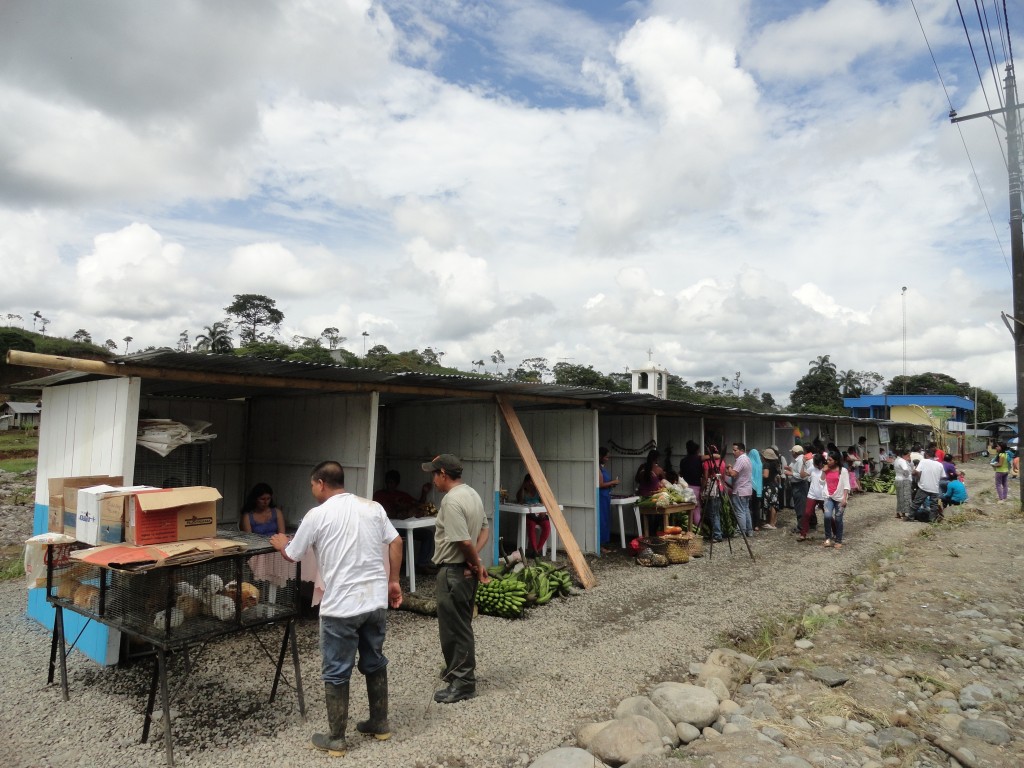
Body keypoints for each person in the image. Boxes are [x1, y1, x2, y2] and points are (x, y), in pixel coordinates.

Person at [270, 461, 403, 756]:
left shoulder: (317, 515)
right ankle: (379, 723)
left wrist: (280, 543)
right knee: (375, 661)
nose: (312, 490)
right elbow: (396, 541)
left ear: (320, 483)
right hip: (374, 602)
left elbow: (293, 554)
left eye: (312, 485)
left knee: (336, 671)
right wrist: (393, 581)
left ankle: (336, 739)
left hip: (341, 607)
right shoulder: (372, 507)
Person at [423, 454, 490, 704]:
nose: (433, 480)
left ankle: (464, 683)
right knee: (458, 624)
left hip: (454, 571)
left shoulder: (451, 501)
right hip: (464, 569)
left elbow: (462, 541)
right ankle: (455, 670)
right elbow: (484, 530)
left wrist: (473, 561)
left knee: (456, 628)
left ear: (443, 474)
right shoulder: (472, 494)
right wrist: (475, 561)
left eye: (434, 474)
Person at [373, 470, 435, 570]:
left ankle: (422, 564)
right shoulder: (379, 495)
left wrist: (424, 492)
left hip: (403, 528)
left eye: (392, 482)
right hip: (386, 530)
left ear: (397, 483)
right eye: (388, 482)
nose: (389, 485)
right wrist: (396, 514)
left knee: (427, 534)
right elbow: (376, 512)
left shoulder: (402, 495)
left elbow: (419, 504)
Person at [822, 450, 850, 549]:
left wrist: (844, 498)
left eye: (830, 460)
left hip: (840, 497)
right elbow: (821, 481)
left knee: (838, 519)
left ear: (836, 461)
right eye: (827, 460)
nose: (828, 462)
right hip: (828, 496)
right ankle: (827, 538)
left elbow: (846, 486)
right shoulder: (827, 469)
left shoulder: (843, 471)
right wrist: (824, 471)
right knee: (827, 516)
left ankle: (838, 539)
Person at [725, 443, 753, 538]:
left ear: (741, 451)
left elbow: (733, 474)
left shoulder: (741, 459)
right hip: (747, 488)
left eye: (735, 450)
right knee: (746, 510)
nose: (733, 452)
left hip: (740, 489)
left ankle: (741, 531)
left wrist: (729, 467)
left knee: (740, 511)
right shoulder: (747, 459)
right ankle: (749, 530)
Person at [517, 474, 549, 556]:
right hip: (530, 514)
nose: (531, 484)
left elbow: (544, 502)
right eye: (529, 482)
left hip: (539, 514)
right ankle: (534, 549)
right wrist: (523, 488)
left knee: (547, 526)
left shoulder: (538, 491)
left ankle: (538, 549)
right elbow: (519, 501)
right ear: (526, 482)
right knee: (531, 526)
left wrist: (543, 511)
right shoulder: (523, 491)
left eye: (532, 482)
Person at [701, 445, 728, 542]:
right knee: (716, 512)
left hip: (712, 489)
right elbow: (723, 477)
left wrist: (702, 489)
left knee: (712, 513)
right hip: (720, 487)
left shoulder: (707, 463)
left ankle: (717, 534)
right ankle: (717, 532)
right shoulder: (722, 462)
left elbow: (705, 477)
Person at [797, 453, 826, 541]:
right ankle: (803, 534)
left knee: (828, 515)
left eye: (815, 463)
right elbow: (802, 475)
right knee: (806, 514)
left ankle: (835, 532)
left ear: (820, 463)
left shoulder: (826, 469)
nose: (813, 464)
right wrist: (803, 464)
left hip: (823, 496)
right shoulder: (812, 468)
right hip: (812, 495)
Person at [911, 448, 945, 518]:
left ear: (926, 455)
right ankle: (932, 519)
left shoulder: (923, 461)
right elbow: (942, 476)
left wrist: (914, 473)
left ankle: (910, 516)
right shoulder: (940, 465)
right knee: (934, 505)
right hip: (935, 488)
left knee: (916, 502)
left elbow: (916, 472)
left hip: (924, 486)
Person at [678, 440, 703, 532]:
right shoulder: (699, 459)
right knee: (696, 509)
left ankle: (688, 530)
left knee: (687, 510)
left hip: (685, 488)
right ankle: (698, 530)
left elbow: (681, 473)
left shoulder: (683, 461)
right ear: (696, 450)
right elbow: (716, 456)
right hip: (696, 487)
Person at [598, 447, 619, 550]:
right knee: (602, 520)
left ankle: (604, 542)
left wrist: (611, 484)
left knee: (606, 519)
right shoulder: (597, 468)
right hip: (601, 496)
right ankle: (600, 544)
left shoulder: (602, 468)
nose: (607, 459)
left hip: (606, 496)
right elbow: (600, 484)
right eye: (606, 457)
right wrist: (613, 482)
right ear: (600, 456)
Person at [785, 444, 809, 532]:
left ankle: (801, 526)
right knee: (800, 505)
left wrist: (791, 473)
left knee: (800, 506)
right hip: (798, 485)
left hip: (800, 485)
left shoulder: (800, 461)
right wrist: (790, 469)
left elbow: (802, 475)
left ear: (795, 453)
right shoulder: (798, 460)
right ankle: (802, 525)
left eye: (792, 452)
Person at [760, 448, 781, 530]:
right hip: (775, 485)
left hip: (769, 486)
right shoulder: (776, 464)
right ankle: (773, 523)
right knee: (774, 504)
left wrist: (759, 474)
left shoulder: (766, 464)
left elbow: (766, 475)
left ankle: (771, 523)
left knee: (771, 505)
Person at [893, 447, 913, 519]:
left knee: (899, 497)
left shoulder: (896, 460)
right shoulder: (902, 461)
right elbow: (905, 469)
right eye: (908, 455)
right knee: (905, 497)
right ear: (904, 455)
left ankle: (898, 512)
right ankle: (904, 513)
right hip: (904, 480)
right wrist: (907, 474)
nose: (909, 457)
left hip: (898, 479)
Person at [748, 448, 764, 531]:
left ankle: (750, 524)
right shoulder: (760, 464)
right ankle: (757, 525)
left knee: (749, 507)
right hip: (758, 488)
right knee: (757, 507)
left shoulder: (749, 463)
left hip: (751, 486)